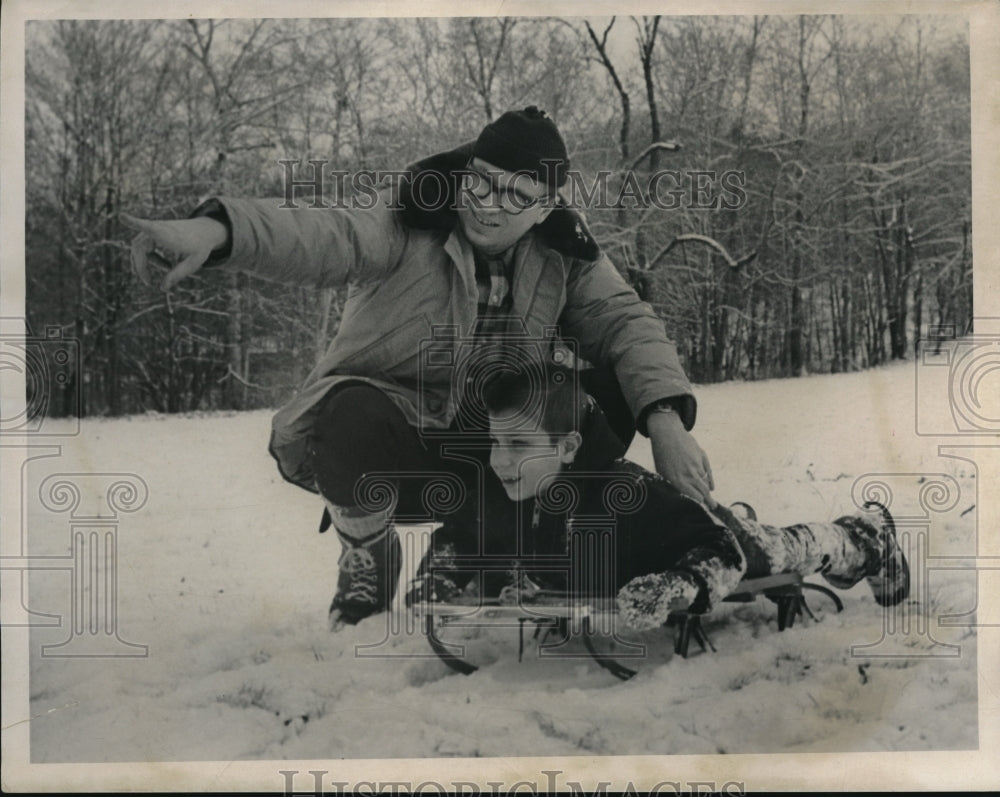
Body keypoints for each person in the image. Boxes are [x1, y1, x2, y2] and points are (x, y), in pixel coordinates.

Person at [123, 106, 715, 630]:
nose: (488, 206)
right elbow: (326, 235)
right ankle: (368, 551)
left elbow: (625, 321)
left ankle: (537, 547)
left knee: (594, 396)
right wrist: (220, 231)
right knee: (347, 412)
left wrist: (664, 418)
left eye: (515, 195)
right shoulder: (407, 225)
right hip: (403, 443)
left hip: (497, 451)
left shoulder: (568, 257)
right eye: (481, 183)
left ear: (544, 209)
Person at [408, 366, 910, 631]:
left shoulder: (626, 496)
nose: (499, 460)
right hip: (663, 541)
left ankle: (862, 536)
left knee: (775, 549)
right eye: (497, 443)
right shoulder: (505, 493)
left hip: (706, 538)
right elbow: (460, 536)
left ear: (567, 448)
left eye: (518, 446)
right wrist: (438, 576)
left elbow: (722, 553)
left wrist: (675, 587)